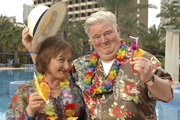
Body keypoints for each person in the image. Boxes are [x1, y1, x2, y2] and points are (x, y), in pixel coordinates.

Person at [22, 11, 173, 120]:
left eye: (108, 33)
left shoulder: (142, 59)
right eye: (96, 36)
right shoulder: (81, 65)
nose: (103, 40)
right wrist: (31, 49)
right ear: (91, 40)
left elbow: (168, 95)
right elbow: (50, 72)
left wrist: (150, 78)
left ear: (118, 30)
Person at [6, 36, 86, 120]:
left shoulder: (76, 91)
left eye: (69, 60)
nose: (66, 66)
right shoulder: (25, 92)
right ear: (45, 60)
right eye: (61, 60)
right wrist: (29, 111)